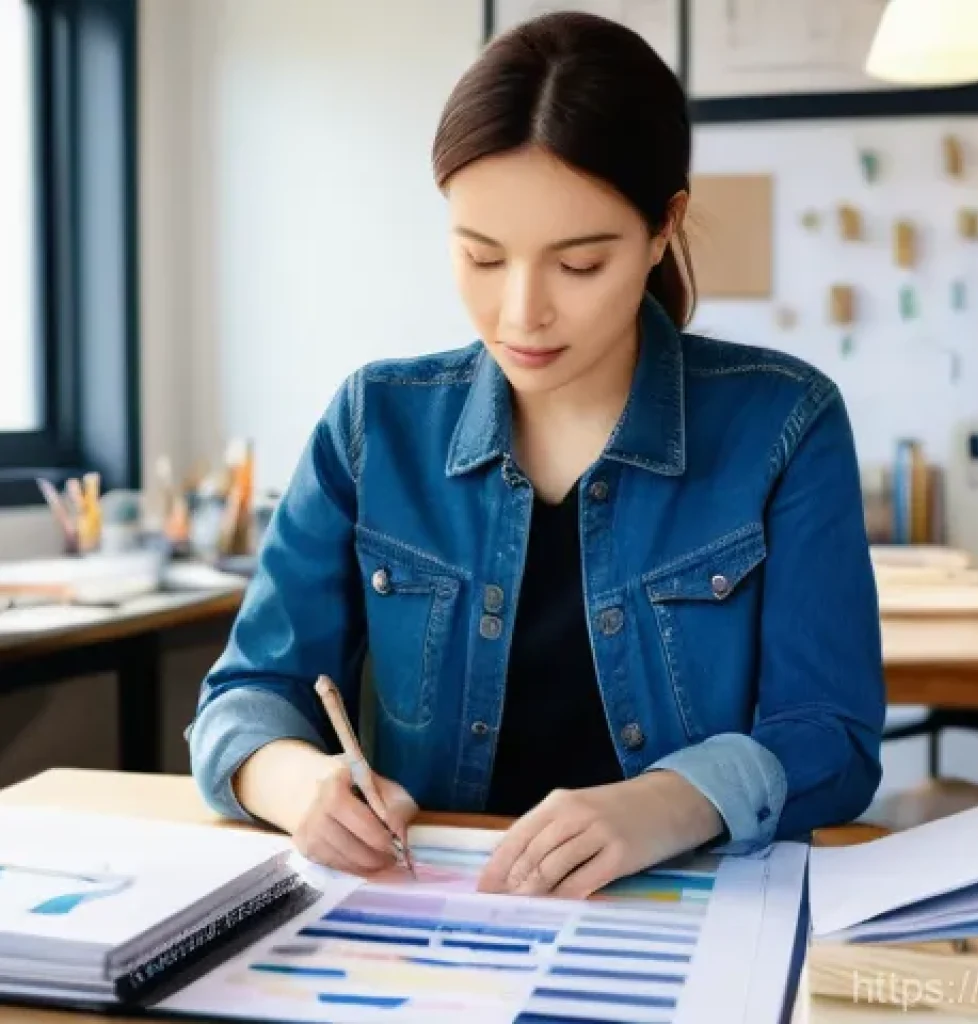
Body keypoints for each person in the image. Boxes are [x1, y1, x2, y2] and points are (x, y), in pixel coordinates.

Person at [187, 11, 885, 900]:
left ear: (664, 227)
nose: (521, 314)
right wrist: (295, 783)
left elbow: (833, 735)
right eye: (481, 257)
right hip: (435, 924)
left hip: (685, 920)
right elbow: (246, 696)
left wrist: (670, 803)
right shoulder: (376, 424)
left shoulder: (785, 423)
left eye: (580, 265)